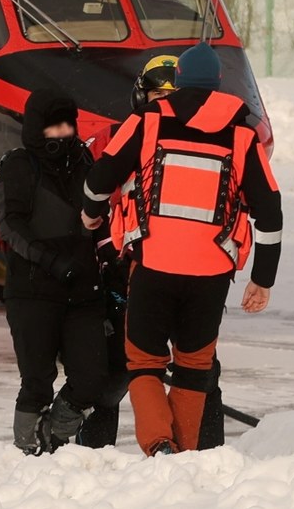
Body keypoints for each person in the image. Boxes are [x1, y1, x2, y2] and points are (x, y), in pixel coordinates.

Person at [82, 43, 283, 456]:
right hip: (211, 273)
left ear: (181, 81)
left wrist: (90, 215)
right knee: (194, 367)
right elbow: (270, 211)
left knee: (143, 362)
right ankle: (186, 454)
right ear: (217, 84)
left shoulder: (148, 120)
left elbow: (101, 175)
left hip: (153, 264)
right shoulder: (242, 133)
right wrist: (262, 278)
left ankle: (158, 443)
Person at [78, 54, 227, 450]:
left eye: (170, 95)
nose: (162, 103)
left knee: (199, 368)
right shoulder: (114, 137)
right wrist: (106, 253)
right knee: (113, 369)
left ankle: (204, 450)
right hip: (120, 266)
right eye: (156, 95)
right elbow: (92, 196)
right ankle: (93, 453)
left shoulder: (207, 140)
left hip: (168, 267)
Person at [0, 90, 109, 455]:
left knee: (90, 379)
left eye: (67, 124)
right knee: (38, 382)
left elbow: (102, 218)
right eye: (53, 125)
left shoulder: (85, 161)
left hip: (84, 293)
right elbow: (10, 225)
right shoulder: (18, 165)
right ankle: (27, 451)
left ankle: (52, 437)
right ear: (36, 127)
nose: (62, 132)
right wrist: (51, 261)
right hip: (33, 291)